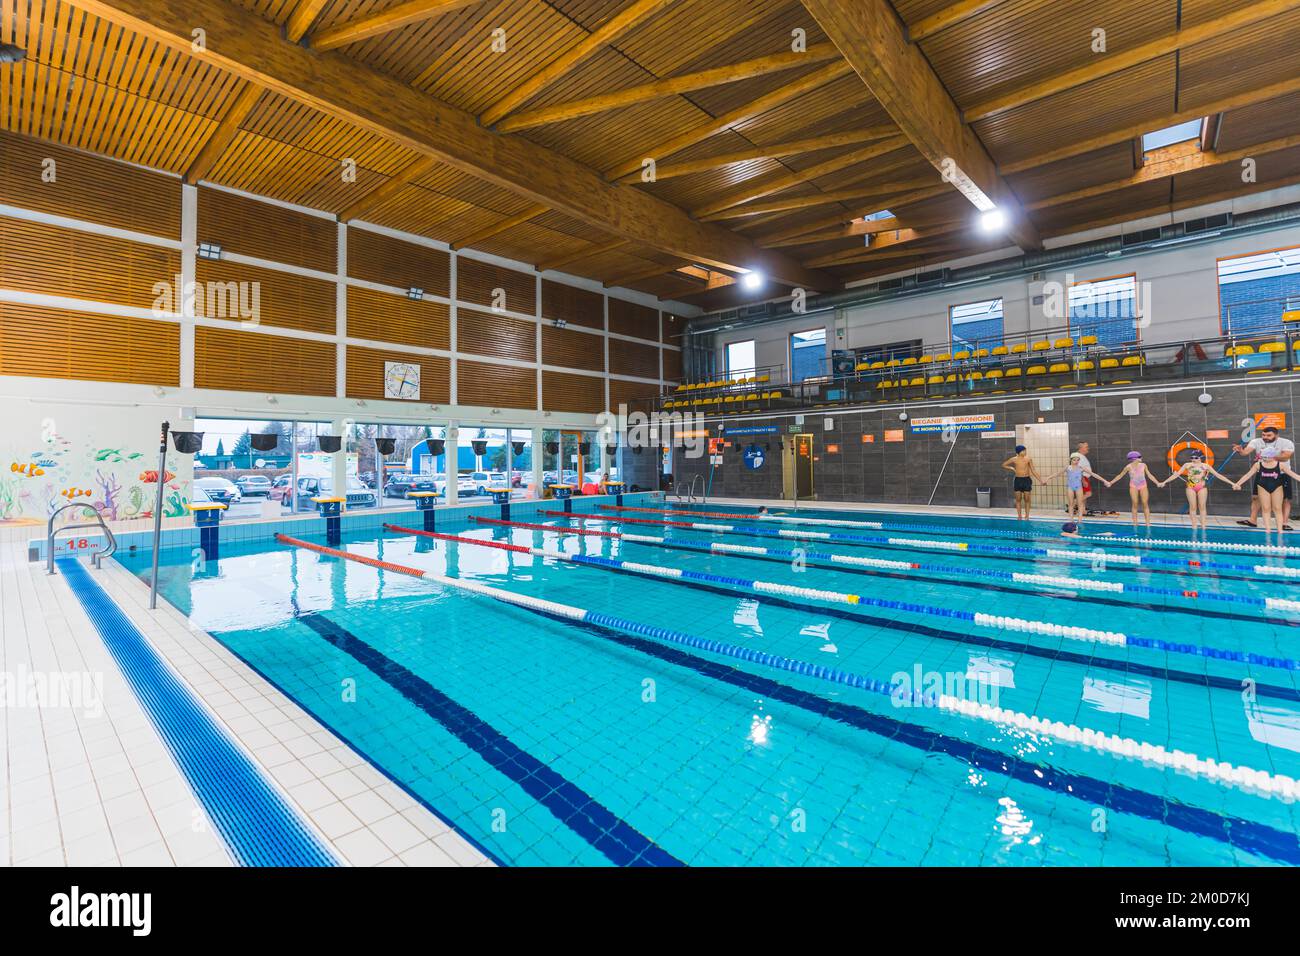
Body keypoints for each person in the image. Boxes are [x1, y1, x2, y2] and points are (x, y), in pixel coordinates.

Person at [1233, 425, 1295, 530]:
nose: (1265, 437)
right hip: (1262, 472)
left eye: (1268, 435)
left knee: (1286, 499)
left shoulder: (1286, 442)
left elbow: (1286, 456)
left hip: (1281, 473)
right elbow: (1245, 452)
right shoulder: (1256, 441)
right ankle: (1252, 520)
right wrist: (1240, 450)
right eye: (1263, 435)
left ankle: (1284, 523)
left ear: (1276, 435)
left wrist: (1268, 456)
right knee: (1256, 497)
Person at [1155, 449, 1233, 531]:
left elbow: (1218, 475)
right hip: (1190, 486)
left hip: (1201, 486)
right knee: (1192, 507)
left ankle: (1203, 526)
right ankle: (1194, 526)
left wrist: (1232, 483)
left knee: (1202, 507)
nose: (1193, 459)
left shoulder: (1205, 466)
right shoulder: (1187, 465)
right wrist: (1164, 482)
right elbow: (1176, 474)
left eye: (1195, 457)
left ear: (1200, 458)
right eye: (1192, 457)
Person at [1231, 452, 1300, 533]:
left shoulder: (1280, 465)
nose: (1265, 459)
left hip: (1277, 487)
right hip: (1263, 487)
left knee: (1277, 509)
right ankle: (1268, 529)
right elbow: (1247, 475)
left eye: (1267, 457)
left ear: (1273, 457)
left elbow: (1294, 475)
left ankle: (1280, 530)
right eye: (1264, 457)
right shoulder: (1258, 465)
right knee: (1266, 509)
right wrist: (1238, 483)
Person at [1044, 452, 1108, 523]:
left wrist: (1104, 480)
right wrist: (1048, 478)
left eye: (1078, 460)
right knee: (1071, 504)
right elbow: (1057, 473)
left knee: (1080, 504)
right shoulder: (1067, 467)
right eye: (1074, 460)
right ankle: (1071, 520)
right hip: (1070, 487)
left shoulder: (1081, 468)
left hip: (1079, 487)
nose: (1076, 461)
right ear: (1071, 460)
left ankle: (1080, 520)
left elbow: (1093, 474)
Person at [1107, 451, 1155, 529]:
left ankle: (1148, 523)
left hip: (1143, 486)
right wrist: (1111, 482)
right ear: (1135, 459)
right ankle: (1135, 523)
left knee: (1145, 503)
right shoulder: (1128, 467)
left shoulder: (1143, 465)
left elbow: (1149, 475)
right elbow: (1120, 476)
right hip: (1133, 486)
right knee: (1135, 503)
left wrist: (1157, 482)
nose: (1141, 458)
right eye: (1140, 457)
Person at [1001, 445, 1046, 520]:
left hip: (1026, 480)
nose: (1025, 452)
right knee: (1018, 499)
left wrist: (1041, 480)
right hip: (1018, 480)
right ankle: (1019, 516)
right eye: (1023, 450)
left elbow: (1033, 471)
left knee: (1027, 499)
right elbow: (1004, 464)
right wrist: (1011, 468)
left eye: (1025, 450)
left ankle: (1027, 516)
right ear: (1019, 452)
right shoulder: (1014, 459)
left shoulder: (1028, 459)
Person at [1074, 441, 1096, 514]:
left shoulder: (1081, 456)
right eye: (1086, 447)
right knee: (1088, 494)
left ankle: (1083, 510)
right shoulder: (1078, 456)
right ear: (1081, 448)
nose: (1088, 448)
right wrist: (1083, 480)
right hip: (1082, 477)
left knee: (1083, 494)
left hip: (1083, 477)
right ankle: (1073, 504)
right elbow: (1077, 469)